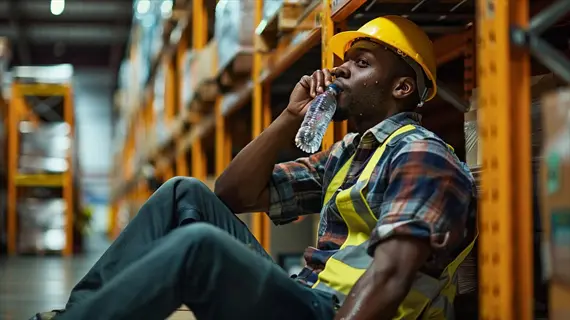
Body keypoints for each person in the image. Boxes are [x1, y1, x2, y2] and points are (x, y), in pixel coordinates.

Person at [32, 16, 477, 320]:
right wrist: (289, 118)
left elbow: (394, 273)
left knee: (198, 246)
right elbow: (231, 195)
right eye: (345, 61)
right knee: (183, 192)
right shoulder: (349, 154)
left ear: (402, 87)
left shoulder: (422, 155)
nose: (340, 70)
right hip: (308, 297)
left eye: (361, 65)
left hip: (339, 312)